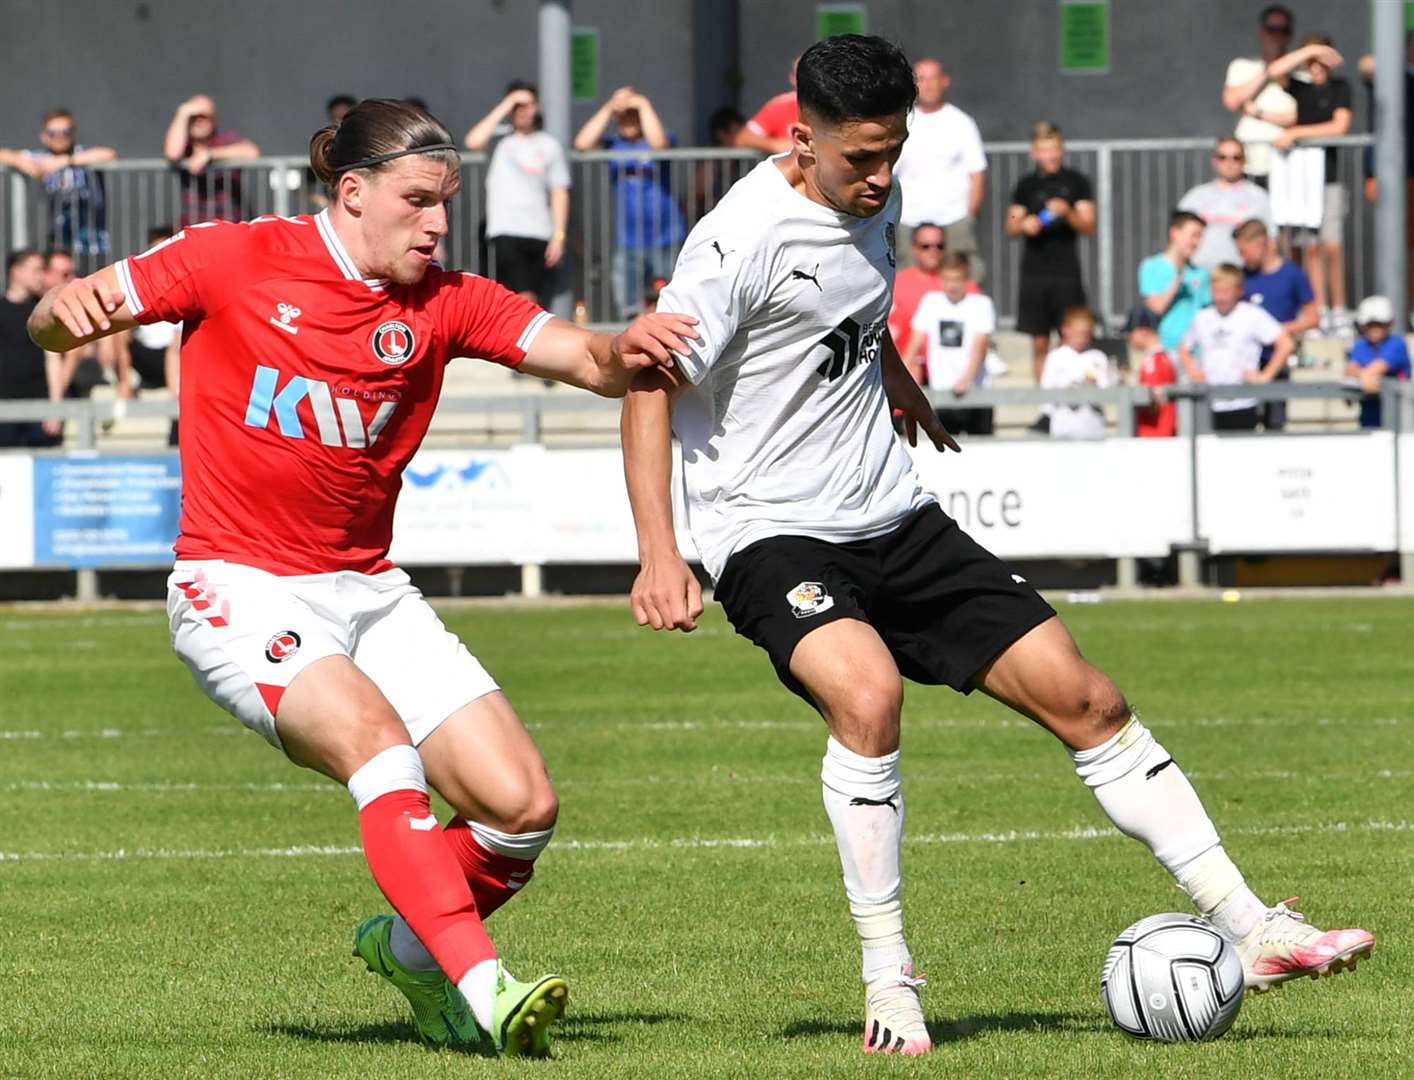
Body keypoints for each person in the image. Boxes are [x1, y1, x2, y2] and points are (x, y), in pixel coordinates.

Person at [620, 34, 1372, 1059]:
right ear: (800, 143)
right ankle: (889, 977)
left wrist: (896, 384)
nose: (884, 179)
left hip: (894, 513)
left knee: (1090, 699)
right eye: (862, 160)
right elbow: (647, 383)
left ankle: (1254, 928)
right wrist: (660, 552)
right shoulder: (735, 240)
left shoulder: (872, 195)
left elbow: (850, 307)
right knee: (868, 696)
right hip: (771, 530)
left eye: (896, 153)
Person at [27, 98, 697, 1058]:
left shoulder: (448, 299)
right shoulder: (231, 256)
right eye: (419, 202)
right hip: (237, 583)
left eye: (447, 206)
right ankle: (483, 986)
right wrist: (62, 317)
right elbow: (62, 316)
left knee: (520, 810)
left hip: (370, 590)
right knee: (379, 748)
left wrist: (626, 345)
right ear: (352, 192)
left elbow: (587, 360)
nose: (438, 225)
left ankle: (412, 955)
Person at [574, 87, 687, 319]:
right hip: (629, 237)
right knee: (629, 303)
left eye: (632, 115)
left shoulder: (662, 135)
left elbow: (659, 144)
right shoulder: (614, 144)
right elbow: (582, 143)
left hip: (666, 234)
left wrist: (642, 103)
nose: (628, 121)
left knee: (675, 299)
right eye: (623, 116)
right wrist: (609, 107)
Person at [1269, 36, 1353, 328]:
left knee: (1332, 245)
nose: (1316, 66)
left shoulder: (1340, 88)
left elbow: (1340, 126)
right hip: (1303, 181)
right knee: (1311, 249)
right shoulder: (1301, 90)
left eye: (1321, 59)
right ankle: (1317, 311)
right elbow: (1274, 72)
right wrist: (1309, 51)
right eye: (1311, 61)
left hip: (1327, 180)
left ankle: (1338, 309)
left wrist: (1296, 133)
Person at [465, 82, 571, 306]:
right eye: (518, 106)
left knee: (530, 299)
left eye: (528, 105)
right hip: (505, 229)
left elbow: (559, 191)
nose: (523, 110)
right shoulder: (499, 140)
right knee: (525, 298)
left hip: (539, 231)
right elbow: (473, 141)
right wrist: (507, 104)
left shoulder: (549, 145)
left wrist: (558, 236)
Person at [1006, 122, 1096, 382]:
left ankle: (1071, 392)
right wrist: (1025, 224)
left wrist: (1067, 212)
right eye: (1045, 150)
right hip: (1034, 274)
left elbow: (1089, 225)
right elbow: (1011, 226)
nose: (1051, 156)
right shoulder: (1026, 186)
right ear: (1034, 153)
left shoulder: (1076, 183)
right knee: (1039, 342)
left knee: (1071, 338)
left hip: (1067, 273)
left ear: (1063, 150)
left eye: (1055, 149)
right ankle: (1044, 401)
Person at [893, 58, 986, 278]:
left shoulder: (962, 123)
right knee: (908, 286)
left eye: (933, 78)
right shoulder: (901, 122)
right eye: (921, 79)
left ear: (944, 81)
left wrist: (968, 216)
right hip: (909, 221)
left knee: (963, 282)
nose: (927, 85)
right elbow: (889, 172)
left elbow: (977, 174)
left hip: (953, 220)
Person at [1179, 264, 1296, 431]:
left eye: (1225, 292)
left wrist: (1265, 376)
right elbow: (1184, 346)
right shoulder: (1202, 317)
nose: (1220, 297)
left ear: (1239, 291)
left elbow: (1285, 344)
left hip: (1243, 401)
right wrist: (1193, 371)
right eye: (1216, 291)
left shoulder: (1252, 315)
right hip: (1209, 401)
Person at [0, 109, 115, 274]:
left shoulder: (82, 153)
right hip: (59, 244)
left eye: (65, 132)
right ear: (44, 136)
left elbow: (108, 154)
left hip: (91, 244)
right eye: (53, 133)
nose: (60, 137)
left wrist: (66, 161)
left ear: (73, 133)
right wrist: (18, 161)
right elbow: (3, 154)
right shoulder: (42, 157)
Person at [1235, 217, 1319, 430]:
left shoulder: (1291, 274)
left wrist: (1277, 331)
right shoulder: (1242, 277)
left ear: (1261, 244)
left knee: (1276, 421)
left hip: (1277, 359)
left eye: (1244, 251)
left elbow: (1312, 318)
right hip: (1246, 362)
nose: (1241, 257)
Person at [901, 252, 994, 436]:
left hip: (975, 392)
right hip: (943, 392)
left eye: (957, 279)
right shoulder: (931, 302)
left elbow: (980, 346)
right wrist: (902, 374)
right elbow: (915, 341)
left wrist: (966, 380)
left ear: (966, 278)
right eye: (947, 279)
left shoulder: (981, 304)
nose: (951, 285)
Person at [113, 226, 184, 445]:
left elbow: (175, 347)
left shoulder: (185, 282)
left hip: (175, 356)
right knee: (114, 325)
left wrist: (175, 390)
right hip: (146, 357)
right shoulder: (139, 283)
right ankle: (125, 382)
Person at [1222, 5, 1298, 184]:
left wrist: (1258, 113)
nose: (1276, 36)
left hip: (1286, 164)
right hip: (1248, 165)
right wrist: (1269, 70)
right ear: (1262, 32)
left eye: (1283, 30)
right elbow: (1232, 101)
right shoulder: (1241, 66)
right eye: (1271, 30)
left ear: (1289, 35)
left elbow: (1297, 117)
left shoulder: (1301, 74)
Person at [163, 95, 261, 227]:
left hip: (229, 225)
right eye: (193, 118)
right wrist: (183, 112)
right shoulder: (185, 146)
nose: (198, 121)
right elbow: (172, 153)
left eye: (204, 117)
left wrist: (210, 154)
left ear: (214, 120)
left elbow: (252, 152)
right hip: (195, 227)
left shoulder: (225, 140)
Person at [1178, 138, 1275, 269]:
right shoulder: (1196, 196)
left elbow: (1271, 240)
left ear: (1244, 161)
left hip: (1241, 277)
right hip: (1200, 276)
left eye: (1236, 157)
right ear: (1215, 161)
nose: (1229, 163)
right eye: (1223, 157)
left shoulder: (1258, 197)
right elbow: (1179, 237)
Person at [886, 222, 980, 354]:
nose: (933, 251)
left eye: (939, 246)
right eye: (926, 246)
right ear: (914, 248)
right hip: (907, 363)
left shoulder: (964, 285)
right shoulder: (896, 283)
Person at [0, 250, 63, 448]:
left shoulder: (43, 312)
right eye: (36, 270)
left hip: (39, 409)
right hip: (4, 409)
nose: (42, 276)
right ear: (16, 271)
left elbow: (53, 360)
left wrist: (56, 408)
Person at [1039, 307, 1110, 439]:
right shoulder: (1056, 357)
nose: (1082, 339)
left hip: (1093, 426)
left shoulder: (1098, 357)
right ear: (1065, 330)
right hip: (1063, 426)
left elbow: (1106, 389)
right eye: (1079, 334)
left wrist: (1093, 386)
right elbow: (1046, 390)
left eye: (1086, 334)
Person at [1345, 295, 1410, 429]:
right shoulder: (1360, 346)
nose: (1374, 329)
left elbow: (1376, 369)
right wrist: (1365, 378)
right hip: (1369, 421)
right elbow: (1350, 371)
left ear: (1390, 324)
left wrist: (1362, 376)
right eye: (1370, 325)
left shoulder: (1396, 344)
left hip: (1400, 423)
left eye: (1379, 324)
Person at [1124, 305, 1176, 438]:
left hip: (1154, 433)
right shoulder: (1165, 357)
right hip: (1164, 431)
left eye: (1131, 332)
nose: (1129, 337)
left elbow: (1152, 401)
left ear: (1143, 331)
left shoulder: (1152, 362)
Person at [735, 58, 799, 154]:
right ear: (792, 78)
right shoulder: (779, 106)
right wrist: (774, 144)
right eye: (800, 74)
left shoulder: (829, 104)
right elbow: (743, 138)